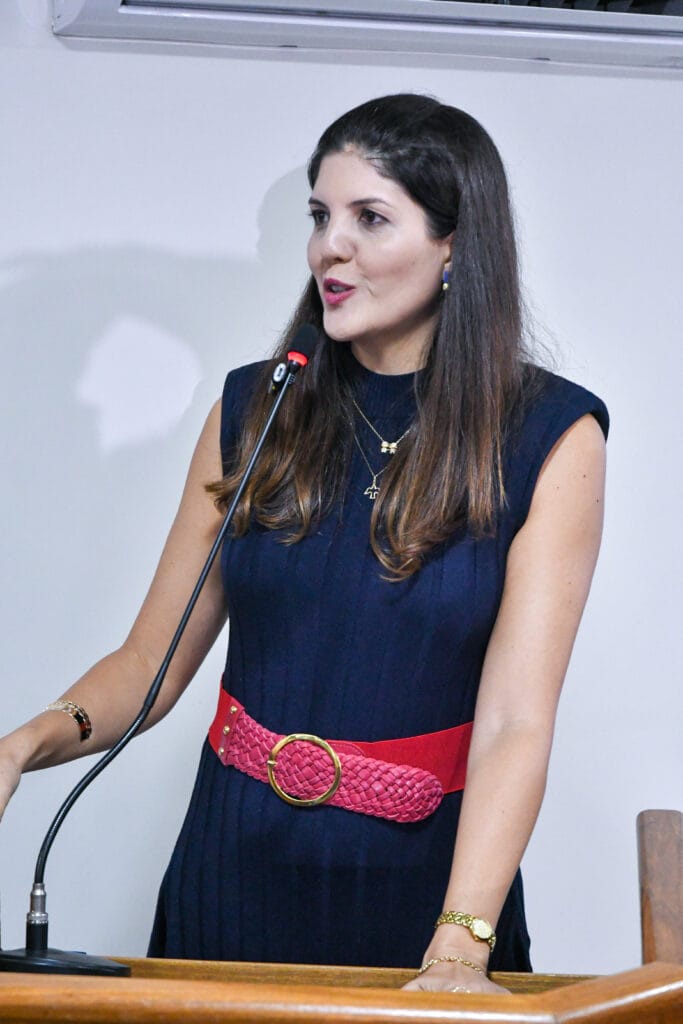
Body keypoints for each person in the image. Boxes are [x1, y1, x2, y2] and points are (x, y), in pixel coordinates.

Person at [0, 94, 608, 994]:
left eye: (370, 218)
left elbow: (516, 722)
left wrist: (459, 945)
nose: (331, 246)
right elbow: (149, 665)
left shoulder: (550, 434)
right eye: (320, 216)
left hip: (427, 896)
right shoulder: (255, 407)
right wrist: (21, 745)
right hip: (230, 873)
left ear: (454, 245)